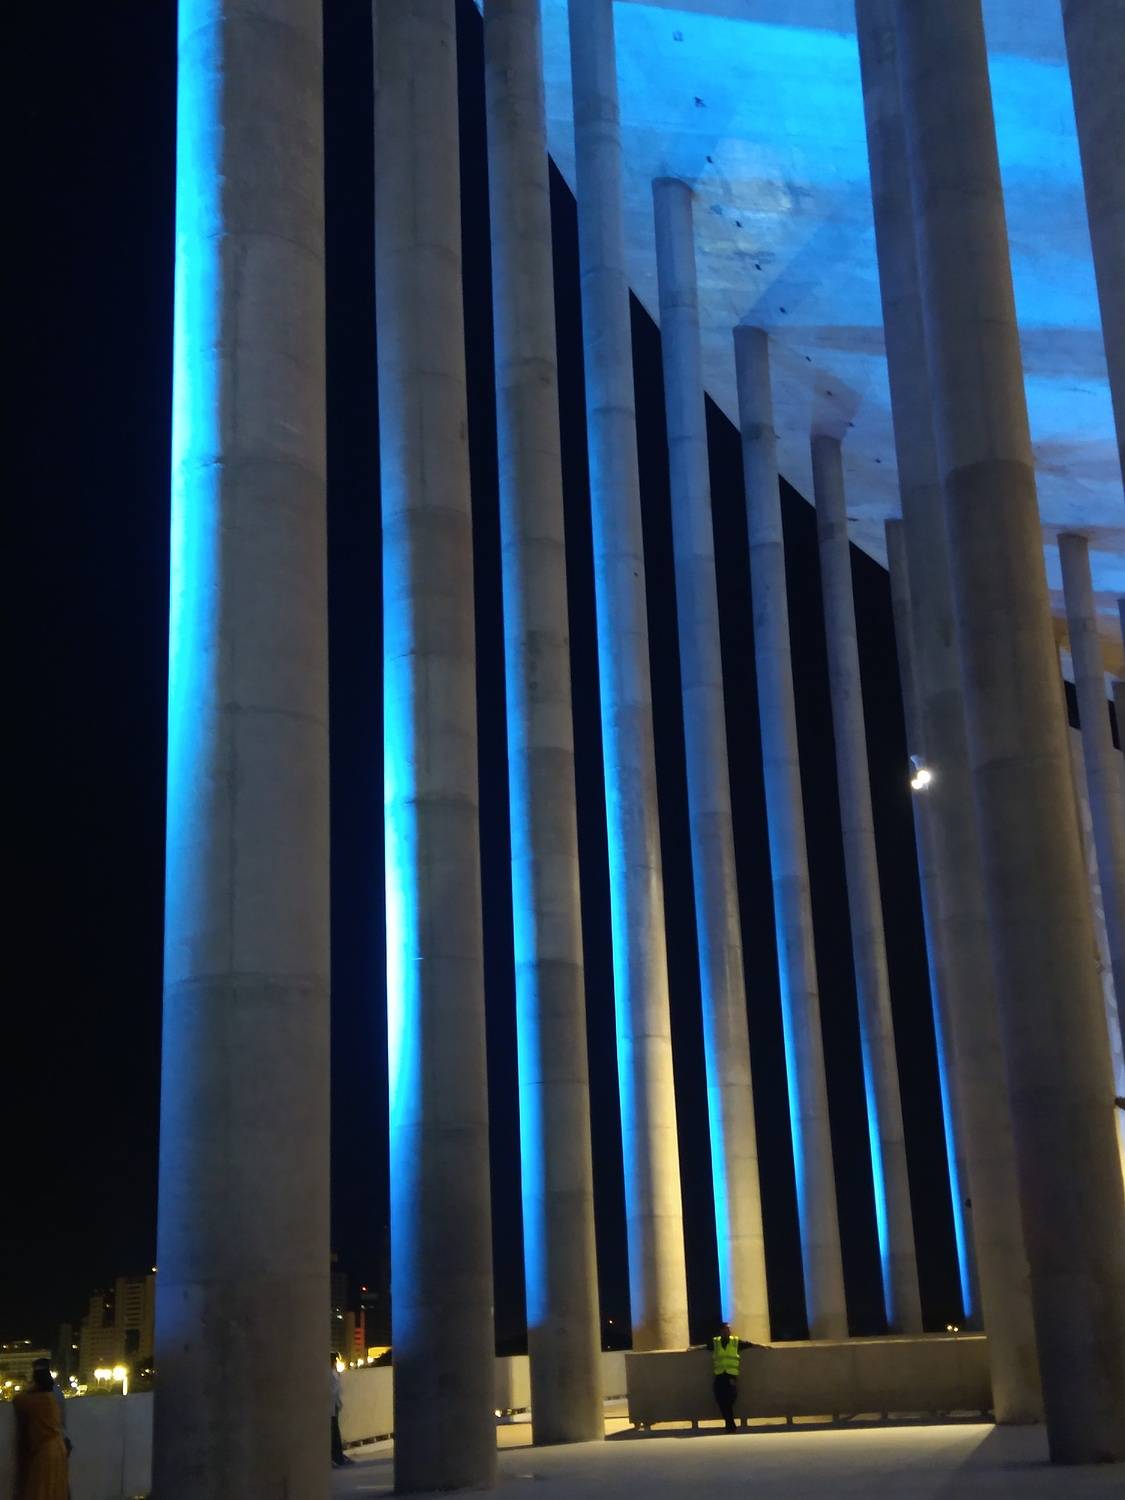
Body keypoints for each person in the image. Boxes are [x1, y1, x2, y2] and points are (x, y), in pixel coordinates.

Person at [13, 1362, 70, 1499]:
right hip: (60, 1448)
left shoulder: (34, 1400)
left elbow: (17, 1400)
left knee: (40, 1491)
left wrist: (29, 1390)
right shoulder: (54, 1395)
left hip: (45, 1452)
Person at [710, 1322, 759, 1433]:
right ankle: (730, 1426)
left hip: (730, 1377)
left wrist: (761, 1346)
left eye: (729, 1329)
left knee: (728, 1401)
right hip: (720, 1376)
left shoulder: (735, 1341)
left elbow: (748, 1344)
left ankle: (730, 1426)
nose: (729, 1331)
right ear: (721, 1331)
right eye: (726, 1329)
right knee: (721, 1401)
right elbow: (706, 1346)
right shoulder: (716, 1342)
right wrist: (694, 1348)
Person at [330, 1354, 352, 1469]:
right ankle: (336, 1457)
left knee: (334, 1432)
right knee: (334, 1433)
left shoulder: (333, 1373)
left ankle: (337, 1456)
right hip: (332, 1406)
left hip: (334, 1406)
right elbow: (334, 1391)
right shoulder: (332, 1374)